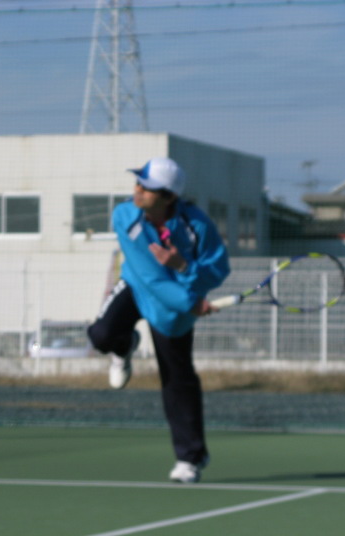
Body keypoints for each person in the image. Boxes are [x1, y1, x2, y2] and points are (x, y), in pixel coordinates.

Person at [87, 157, 230, 483]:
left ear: (168, 197)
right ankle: (124, 346)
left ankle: (190, 459)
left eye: (147, 187)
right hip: (138, 287)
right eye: (138, 182)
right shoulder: (125, 215)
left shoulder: (198, 225)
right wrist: (191, 302)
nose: (137, 190)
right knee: (102, 335)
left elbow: (219, 269)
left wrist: (185, 267)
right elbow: (150, 277)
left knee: (177, 378)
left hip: (173, 311)